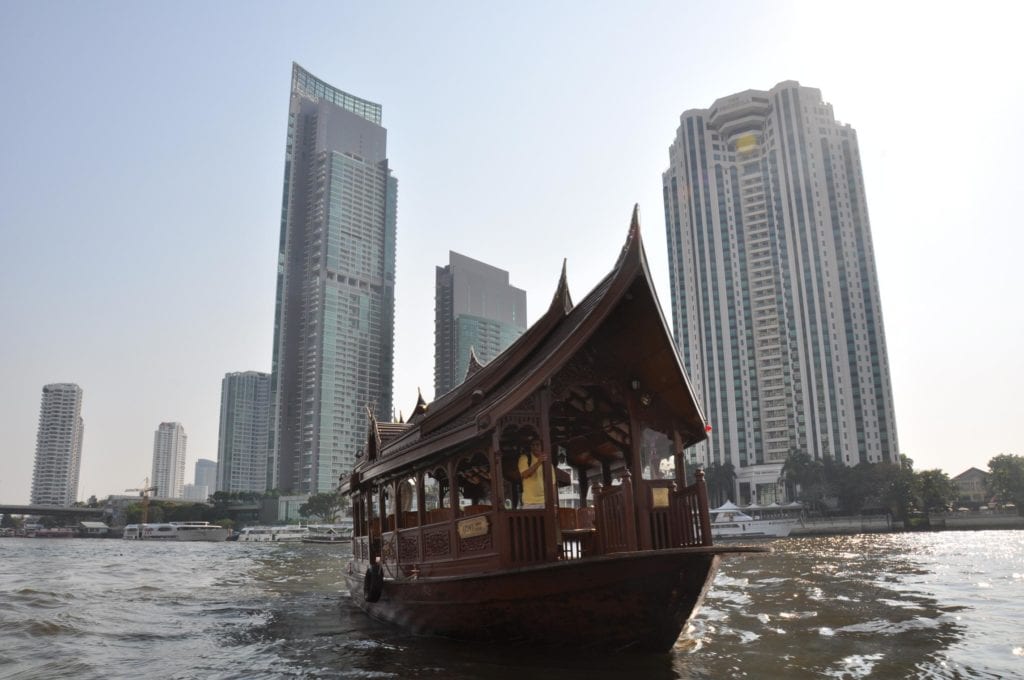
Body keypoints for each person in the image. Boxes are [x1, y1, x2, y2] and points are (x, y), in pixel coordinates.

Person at [518, 439, 549, 509]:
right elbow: (525, 475)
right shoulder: (524, 458)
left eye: (537, 445)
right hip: (529, 503)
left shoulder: (548, 462)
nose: (535, 447)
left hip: (545, 502)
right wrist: (538, 462)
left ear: (542, 446)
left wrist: (554, 504)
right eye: (533, 445)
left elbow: (552, 484)